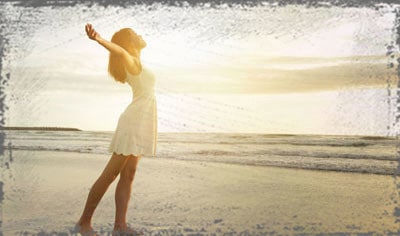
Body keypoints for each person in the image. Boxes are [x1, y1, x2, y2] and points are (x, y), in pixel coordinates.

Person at [74, 23, 158, 236]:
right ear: (129, 44)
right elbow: (118, 51)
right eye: (135, 34)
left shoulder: (138, 63)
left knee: (128, 174)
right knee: (111, 174)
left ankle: (119, 226)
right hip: (133, 123)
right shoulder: (130, 60)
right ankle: (84, 222)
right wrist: (99, 40)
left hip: (141, 122)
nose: (140, 34)